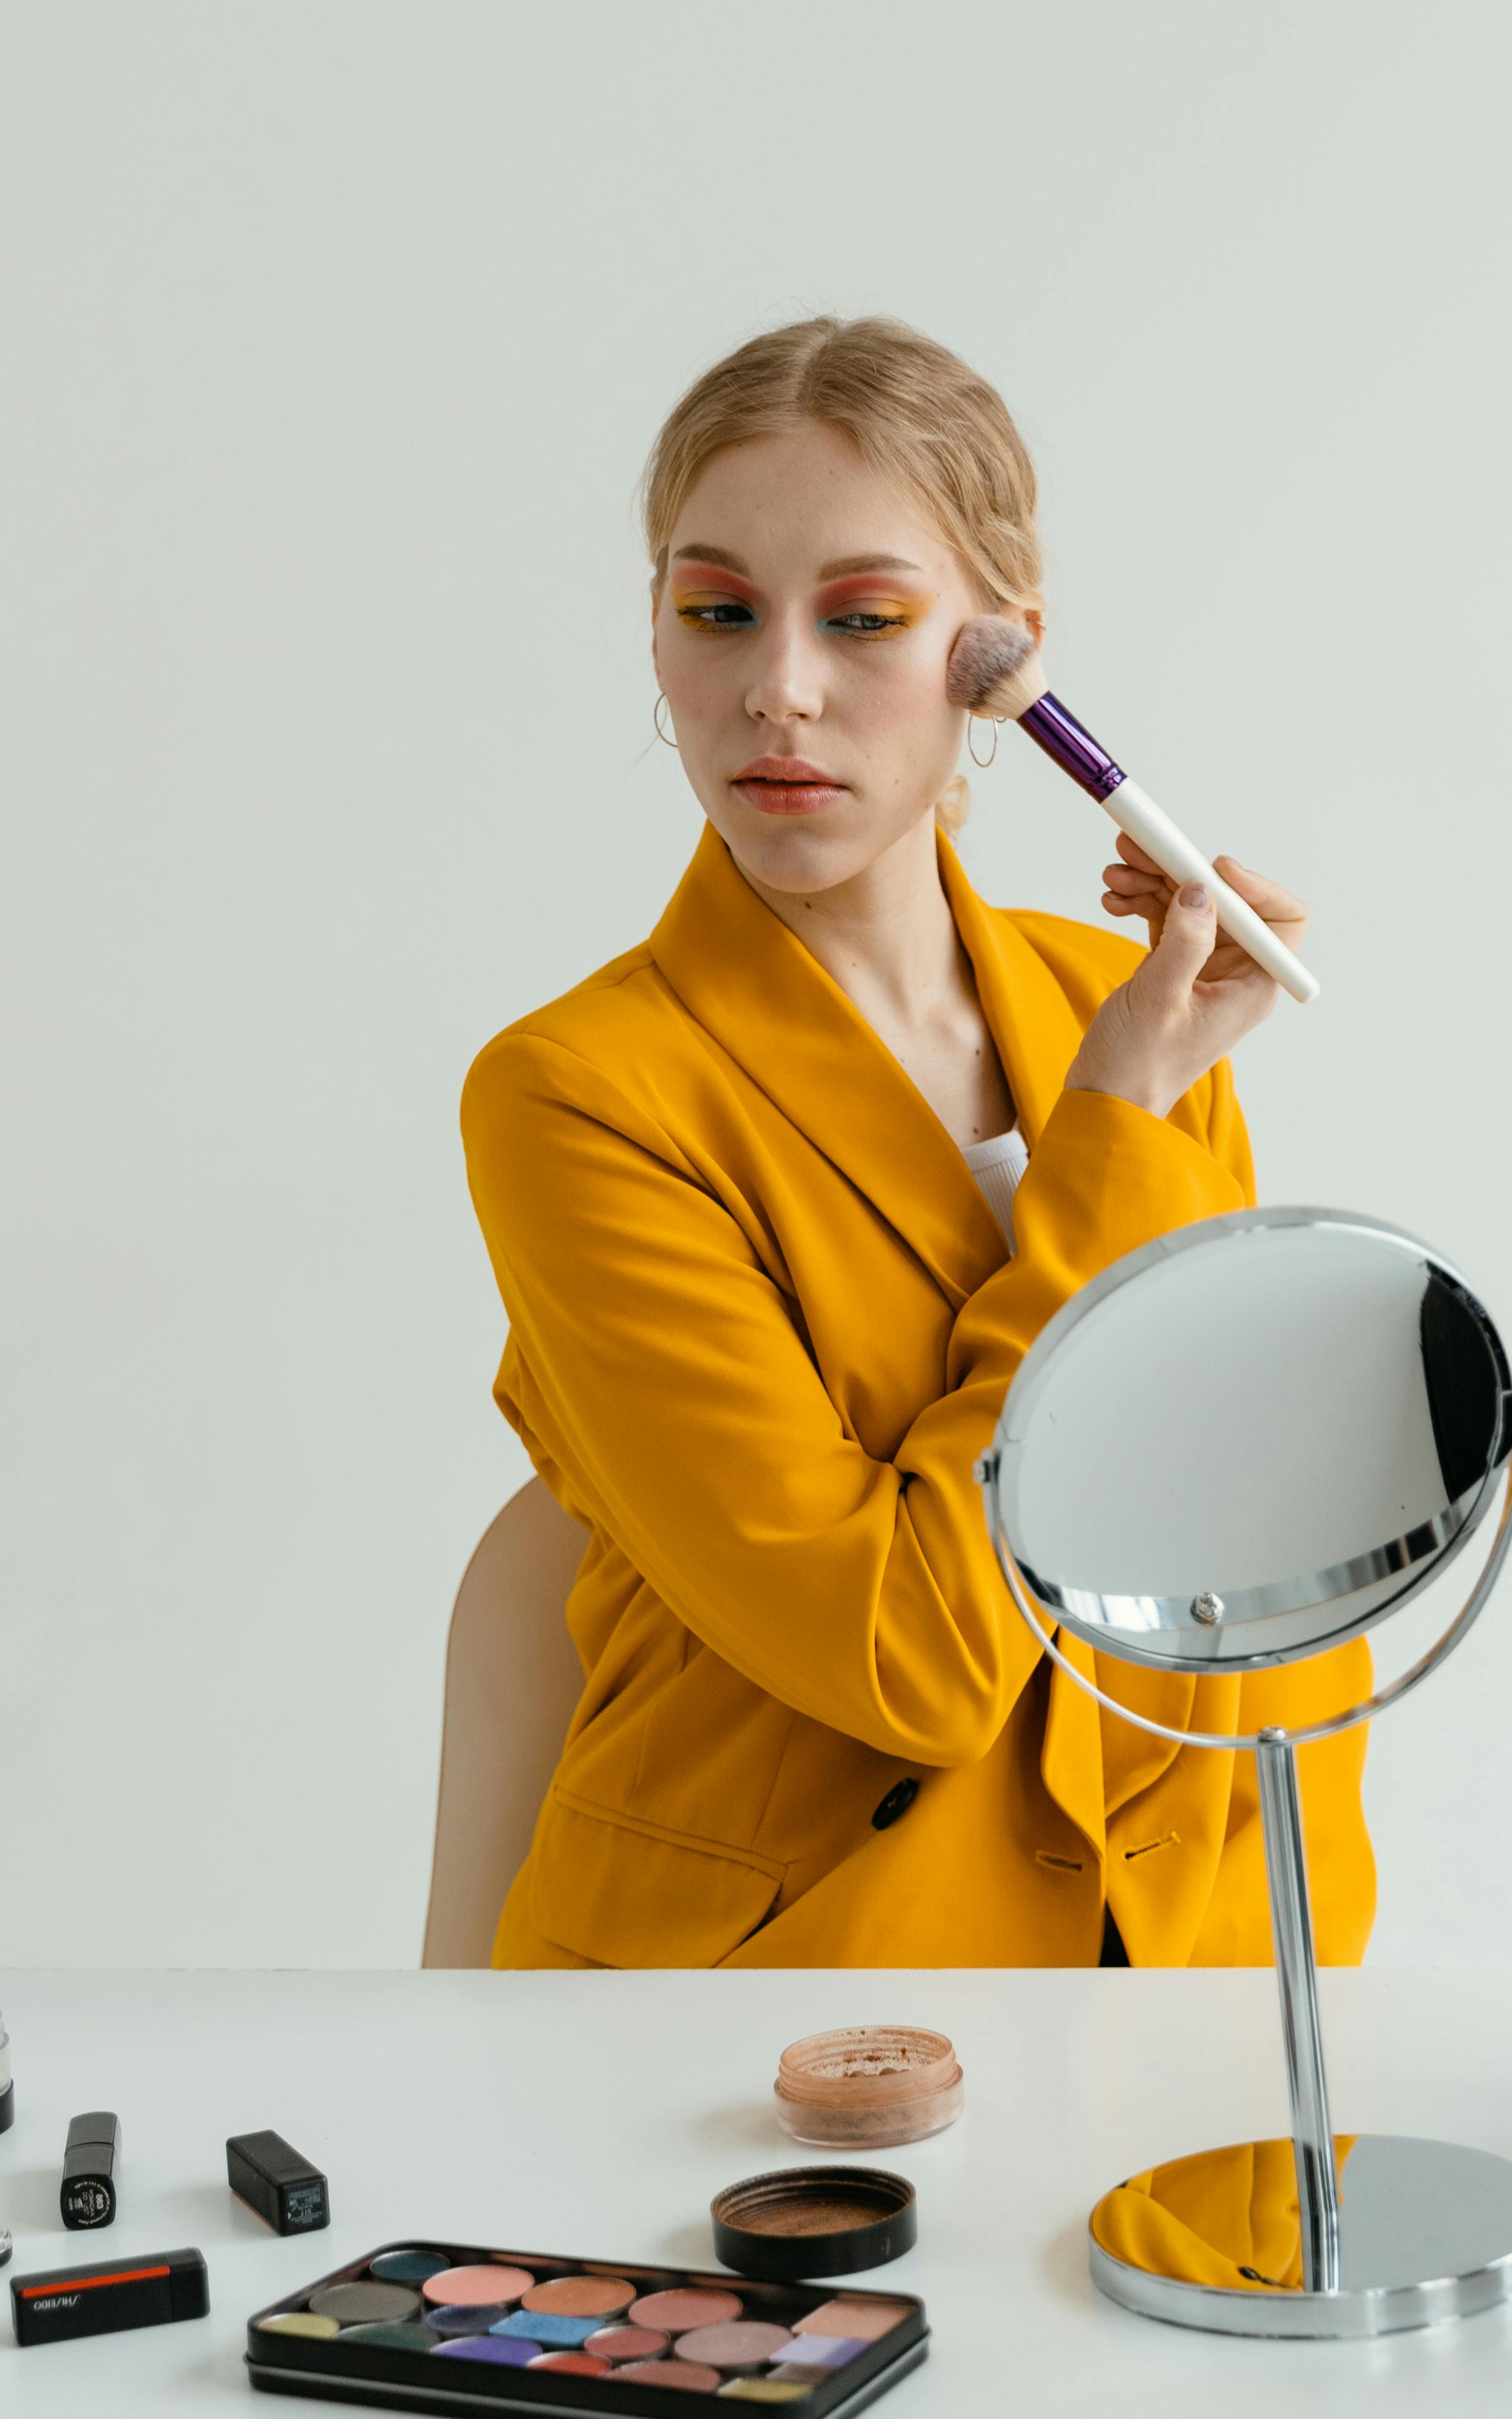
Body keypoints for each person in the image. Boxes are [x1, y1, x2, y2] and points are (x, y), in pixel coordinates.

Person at [462, 315, 1373, 1968]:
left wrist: (1283, 1968)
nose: (778, 689)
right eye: (715, 611)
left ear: (1001, 655)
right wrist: (1103, 1139)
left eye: (865, 619)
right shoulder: (578, 1094)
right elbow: (916, 1658)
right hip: (773, 2016)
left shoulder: (1129, 1006)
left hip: (1186, 1964)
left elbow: (1245, 1574)